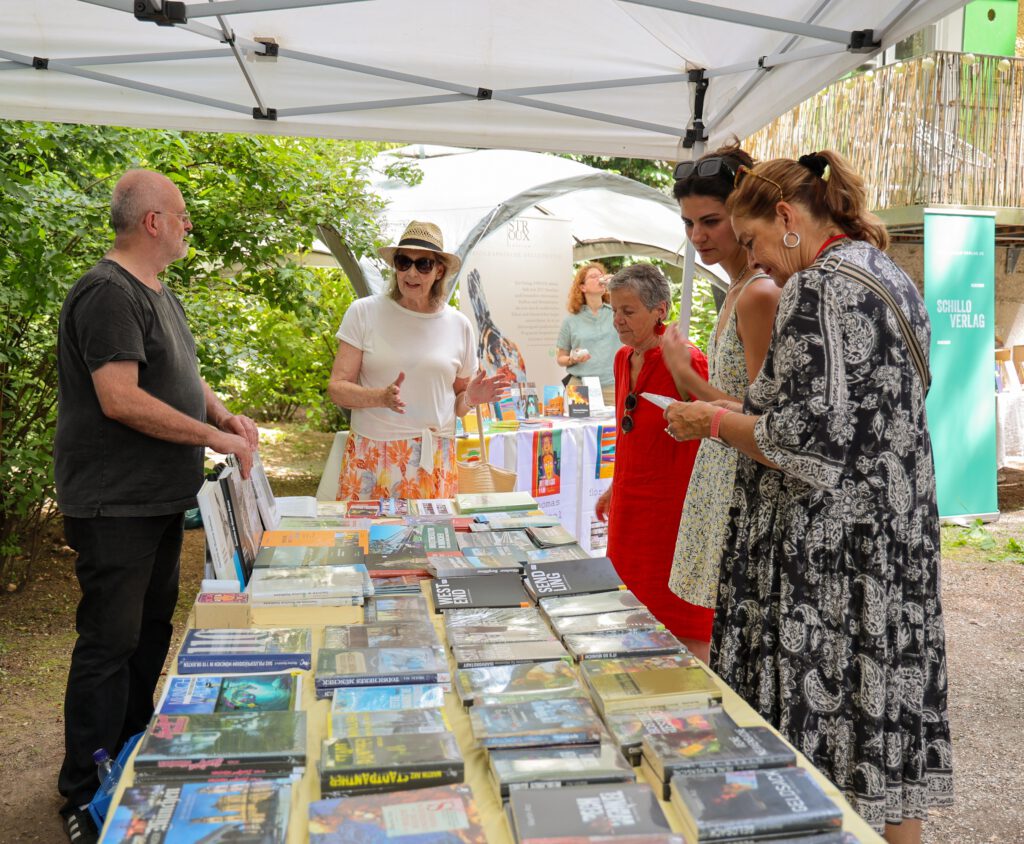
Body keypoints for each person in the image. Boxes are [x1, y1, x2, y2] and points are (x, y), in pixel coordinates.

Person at [664, 151, 952, 842]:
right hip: (891, 539)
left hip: (830, 553)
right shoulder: (885, 272)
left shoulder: (818, 285)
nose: (758, 257)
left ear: (788, 219)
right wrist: (736, 409)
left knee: (812, 741)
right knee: (879, 729)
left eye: (756, 239)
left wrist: (711, 419)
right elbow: (841, 414)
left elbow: (805, 443)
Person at [54, 170, 258, 844]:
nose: (187, 225)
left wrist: (225, 412)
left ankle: (131, 755)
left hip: (157, 500)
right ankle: (84, 791)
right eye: (180, 215)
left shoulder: (156, 291)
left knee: (149, 635)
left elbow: (178, 375)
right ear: (151, 223)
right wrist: (211, 437)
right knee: (110, 644)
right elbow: (120, 397)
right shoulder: (107, 292)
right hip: (115, 505)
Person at [661, 145, 782, 662]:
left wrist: (686, 376)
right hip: (722, 467)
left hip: (743, 474)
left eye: (710, 221)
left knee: (737, 636)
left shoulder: (759, 292)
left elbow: (764, 418)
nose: (697, 236)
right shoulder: (737, 288)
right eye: (689, 223)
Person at [328, 221, 511, 499]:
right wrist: (380, 397)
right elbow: (337, 388)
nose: (411, 273)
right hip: (373, 455)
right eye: (404, 262)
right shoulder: (364, 312)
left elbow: (460, 404)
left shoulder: (458, 324)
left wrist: (471, 397)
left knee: (432, 542)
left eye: (422, 264)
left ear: (439, 270)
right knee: (366, 541)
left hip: (434, 458)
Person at [594, 264, 708, 643]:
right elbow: (628, 436)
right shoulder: (622, 359)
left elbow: (715, 428)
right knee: (628, 611)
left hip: (670, 513)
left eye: (628, 312)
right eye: (614, 310)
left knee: (676, 616)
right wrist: (615, 485)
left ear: (660, 310)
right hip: (630, 508)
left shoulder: (687, 361)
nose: (618, 321)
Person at [556, 262, 619, 405]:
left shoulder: (616, 313)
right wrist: (572, 359)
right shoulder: (571, 321)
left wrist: (616, 282)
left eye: (601, 276)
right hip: (580, 386)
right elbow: (560, 358)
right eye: (593, 276)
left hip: (612, 386)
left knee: (615, 427)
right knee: (579, 426)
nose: (599, 279)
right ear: (582, 287)